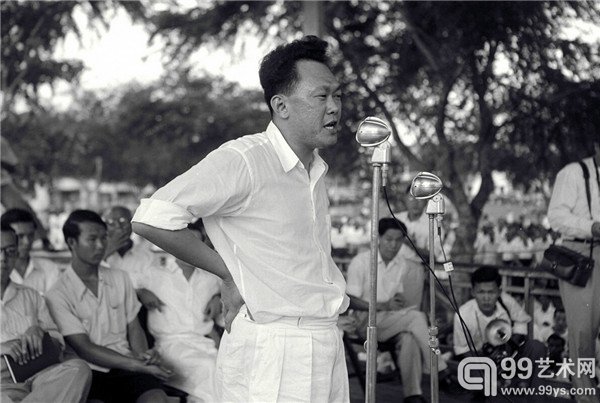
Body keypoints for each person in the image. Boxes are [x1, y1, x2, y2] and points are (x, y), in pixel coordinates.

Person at [131, 35, 349, 402]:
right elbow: (152, 217)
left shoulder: (314, 169)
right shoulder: (245, 159)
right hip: (274, 346)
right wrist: (227, 272)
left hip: (324, 337)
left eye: (338, 95)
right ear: (281, 105)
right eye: (321, 96)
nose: (335, 107)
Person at [45, 210, 173, 403]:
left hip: (128, 366)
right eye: (92, 239)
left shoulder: (120, 278)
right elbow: (84, 348)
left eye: (104, 238)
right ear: (72, 242)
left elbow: (134, 328)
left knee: (157, 399)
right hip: (88, 372)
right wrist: (138, 365)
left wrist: (144, 357)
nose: (100, 245)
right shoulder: (57, 293)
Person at [346, 218, 456, 403]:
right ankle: (439, 367)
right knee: (416, 317)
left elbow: (395, 298)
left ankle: (413, 395)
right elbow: (349, 301)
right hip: (363, 321)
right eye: (389, 239)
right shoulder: (361, 262)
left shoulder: (401, 265)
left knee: (409, 338)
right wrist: (382, 305)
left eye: (399, 240)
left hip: (387, 320)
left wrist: (396, 303)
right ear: (378, 238)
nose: (394, 245)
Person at [1, 224, 92, 403]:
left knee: (78, 369)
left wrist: (41, 334)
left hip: (39, 375)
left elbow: (58, 345)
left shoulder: (31, 295)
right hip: (2, 382)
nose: (3, 258)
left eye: (10, 251)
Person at [547, 140, 600, 402]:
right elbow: (555, 216)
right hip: (581, 255)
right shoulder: (573, 173)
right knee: (582, 335)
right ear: (597, 146)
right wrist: (591, 227)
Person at [144, 252, 221, 402]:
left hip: (204, 343)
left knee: (228, 368)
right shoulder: (155, 272)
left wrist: (218, 297)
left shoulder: (210, 278)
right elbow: (123, 285)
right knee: (208, 366)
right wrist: (141, 292)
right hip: (170, 345)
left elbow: (229, 293)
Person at [453, 266, 546, 386]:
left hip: (509, 356)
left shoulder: (507, 302)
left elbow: (522, 321)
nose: (486, 298)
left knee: (536, 347)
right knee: (482, 381)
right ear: (473, 292)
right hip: (480, 362)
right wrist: (487, 365)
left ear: (499, 291)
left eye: (491, 292)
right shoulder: (463, 314)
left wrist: (510, 344)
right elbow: (463, 350)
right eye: (481, 292)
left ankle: (535, 397)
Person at [103, 205, 165, 311]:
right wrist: (107, 251)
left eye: (123, 221)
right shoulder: (95, 256)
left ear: (132, 224)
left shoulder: (146, 256)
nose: (118, 226)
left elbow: (153, 287)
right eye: (111, 223)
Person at [1, 208, 61, 295]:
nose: (27, 242)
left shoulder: (50, 269)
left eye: (30, 235)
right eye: (20, 236)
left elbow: (56, 305)